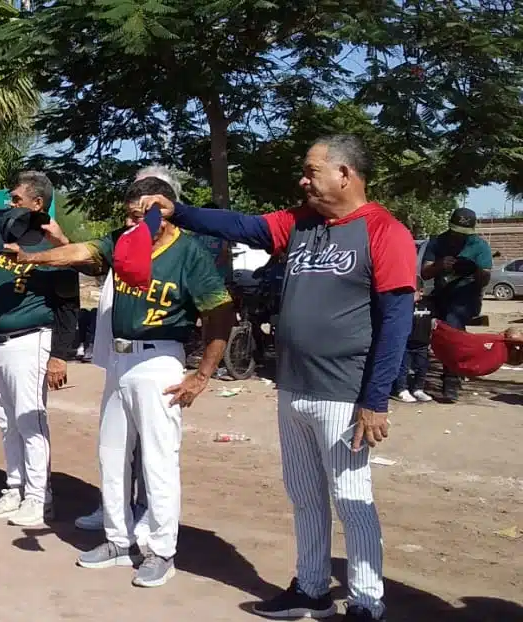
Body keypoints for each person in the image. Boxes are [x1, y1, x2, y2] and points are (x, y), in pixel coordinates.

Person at [152, 135, 415, 622]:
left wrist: (376, 399)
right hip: (292, 384)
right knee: (304, 496)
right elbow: (242, 226)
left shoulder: (383, 231)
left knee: (352, 497)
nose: (303, 179)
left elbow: (396, 322)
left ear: (345, 174)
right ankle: (312, 587)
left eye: (312, 171)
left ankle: (365, 601)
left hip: (345, 391)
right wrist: (179, 211)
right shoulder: (299, 223)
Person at [10, 175, 235, 588]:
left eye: (144, 213)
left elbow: (220, 312)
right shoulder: (125, 240)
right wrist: (33, 258)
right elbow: (82, 251)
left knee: (159, 461)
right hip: (119, 359)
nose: (135, 220)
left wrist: (202, 374)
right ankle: (117, 539)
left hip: (160, 360)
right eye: (131, 214)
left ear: (165, 210)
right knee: (111, 454)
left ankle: (161, 550)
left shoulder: (189, 252)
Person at [0, 171, 80, 527]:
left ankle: (38, 496)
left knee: (29, 420)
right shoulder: (3, 239)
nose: (9, 204)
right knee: (5, 421)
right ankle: (14, 489)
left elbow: (68, 306)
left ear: (37, 204)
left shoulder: (53, 248)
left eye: (16, 199)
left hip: (30, 341)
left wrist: (59, 355)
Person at [421, 208, 493, 402]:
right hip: (441, 296)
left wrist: (475, 269)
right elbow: (425, 273)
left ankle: (451, 379)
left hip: (466, 299)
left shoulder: (479, 246)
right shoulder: (437, 242)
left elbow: (485, 279)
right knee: (418, 322)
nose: (459, 236)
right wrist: (440, 264)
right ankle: (414, 375)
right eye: (456, 231)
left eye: (463, 233)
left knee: (453, 323)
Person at [391, 290, 433, 403]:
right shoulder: (403, 304)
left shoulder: (428, 304)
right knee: (403, 367)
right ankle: (401, 389)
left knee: (422, 367)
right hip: (407, 342)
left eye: (420, 291)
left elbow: (433, 321)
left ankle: (418, 389)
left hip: (423, 343)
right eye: (416, 292)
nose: (420, 294)